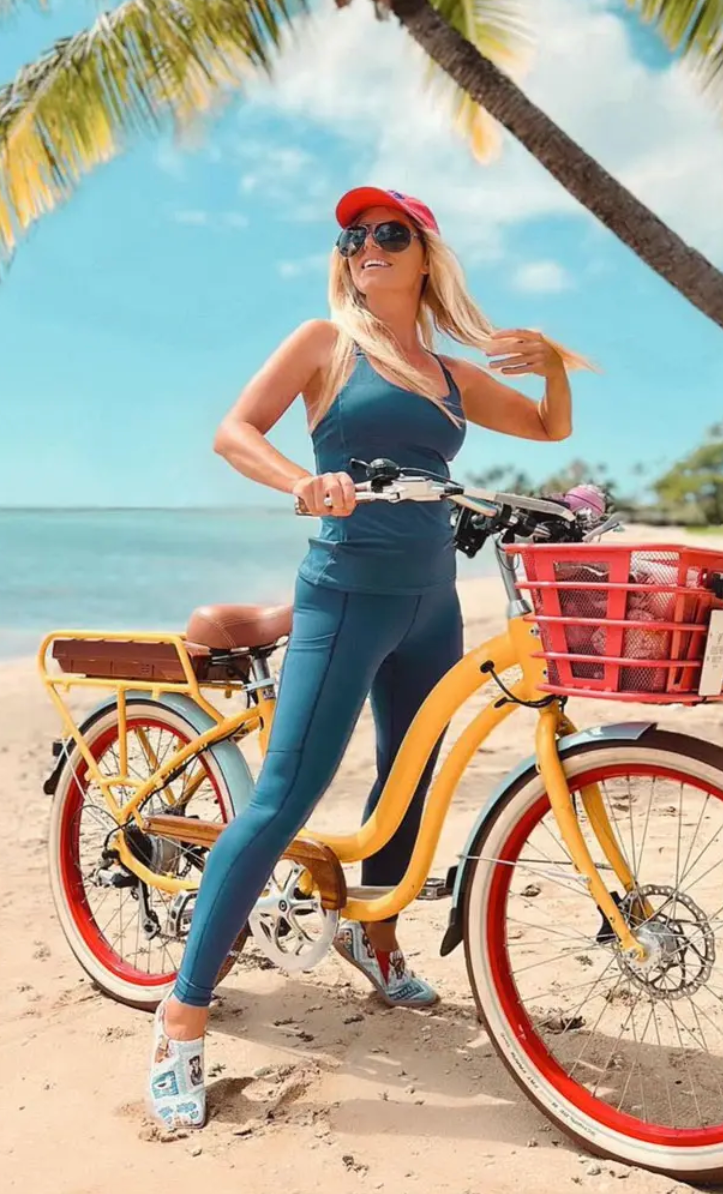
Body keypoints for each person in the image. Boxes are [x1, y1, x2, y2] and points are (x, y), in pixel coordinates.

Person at [147, 186, 591, 1129]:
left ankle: (372, 938)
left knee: (413, 780)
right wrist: (300, 483)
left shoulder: (445, 371)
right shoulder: (324, 342)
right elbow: (235, 433)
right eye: (355, 235)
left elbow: (552, 430)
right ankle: (181, 1017)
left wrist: (553, 365)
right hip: (346, 594)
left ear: (427, 254)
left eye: (390, 233)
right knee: (284, 800)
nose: (368, 247)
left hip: (434, 599)